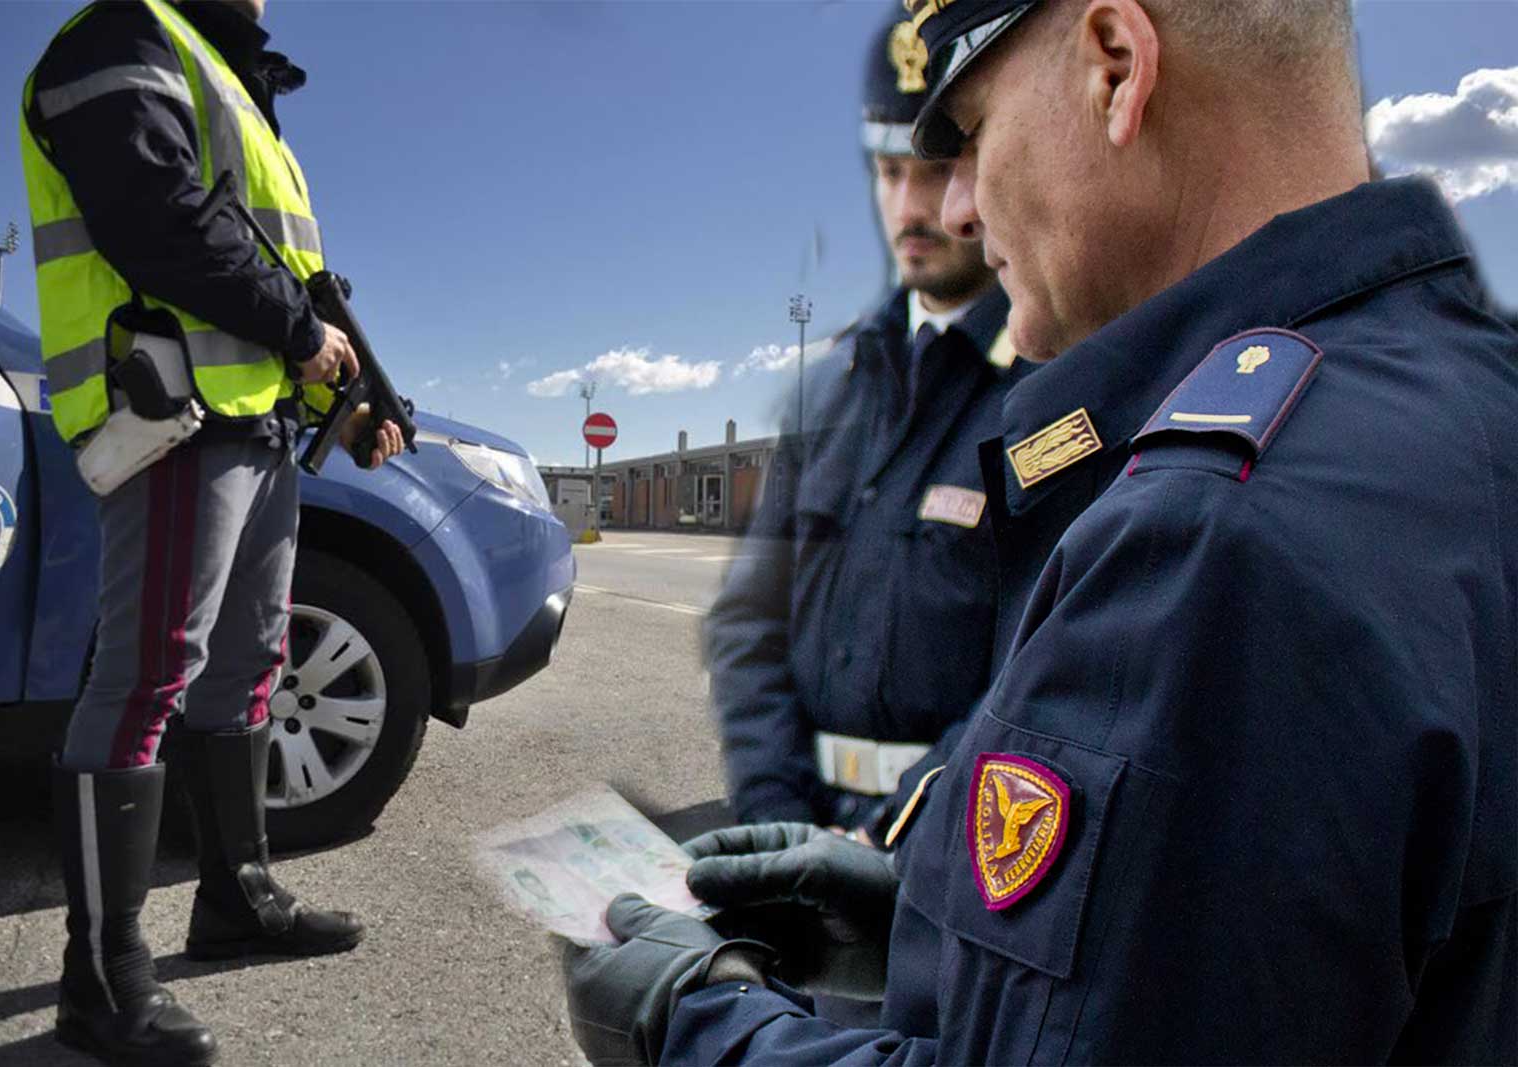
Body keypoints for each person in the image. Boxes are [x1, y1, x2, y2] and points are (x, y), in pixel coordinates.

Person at [562, 1, 1518, 1063]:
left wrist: (691, 1024)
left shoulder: (1213, 537)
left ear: (1116, 69)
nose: (962, 208)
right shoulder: (1459, 399)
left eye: (969, 135)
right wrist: (919, 913)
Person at [20, 1, 403, 1063]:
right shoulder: (120, 37)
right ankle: (99, 981)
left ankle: (237, 898)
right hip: (174, 410)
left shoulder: (237, 85)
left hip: (255, 421)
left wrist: (355, 397)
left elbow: (286, 273)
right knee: (148, 673)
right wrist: (300, 332)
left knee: (245, 667)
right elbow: (155, 217)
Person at [705, 2, 1023, 844]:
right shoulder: (829, 391)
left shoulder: (1050, 387)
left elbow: (1044, 677)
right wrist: (778, 820)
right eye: (889, 171)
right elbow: (748, 623)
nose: (912, 207)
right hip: (809, 837)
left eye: (938, 164)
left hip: (960, 862)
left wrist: (897, 841)